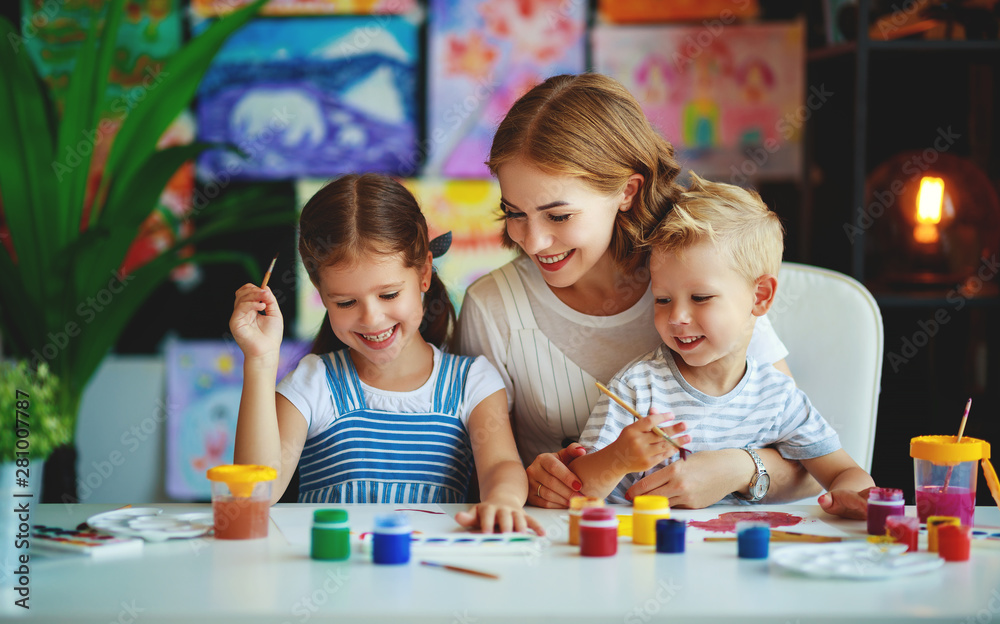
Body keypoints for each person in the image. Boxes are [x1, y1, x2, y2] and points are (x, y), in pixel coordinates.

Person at [455, 72, 821, 509]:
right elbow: (481, 476)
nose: (531, 241)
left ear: (628, 191)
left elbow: (810, 471)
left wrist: (738, 469)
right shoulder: (492, 307)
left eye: (559, 216)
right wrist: (533, 486)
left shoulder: (699, 279)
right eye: (515, 212)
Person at [230, 173, 541, 534]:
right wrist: (260, 360)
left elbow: (500, 464)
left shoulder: (473, 382)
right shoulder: (314, 382)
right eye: (345, 302)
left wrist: (501, 501)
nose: (371, 318)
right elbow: (255, 491)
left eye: (389, 295)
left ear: (424, 273)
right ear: (320, 292)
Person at [571, 173, 875, 518]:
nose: (677, 317)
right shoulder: (639, 387)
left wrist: (859, 498)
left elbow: (842, 472)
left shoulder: (776, 397)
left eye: (700, 297)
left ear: (760, 297)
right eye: (662, 299)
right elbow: (578, 491)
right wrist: (616, 459)